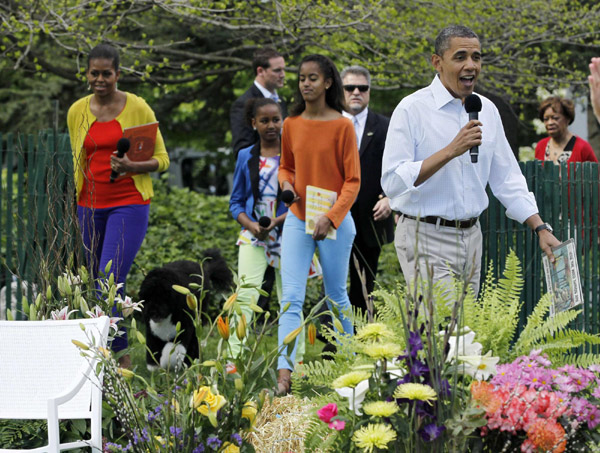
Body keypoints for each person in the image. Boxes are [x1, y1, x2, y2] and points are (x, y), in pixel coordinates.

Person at [381, 25, 559, 298]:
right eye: (460, 56)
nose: (471, 65)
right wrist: (451, 150)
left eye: (476, 57)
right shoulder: (411, 109)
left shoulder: (486, 109)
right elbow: (393, 182)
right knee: (443, 332)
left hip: (472, 237)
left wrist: (540, 227)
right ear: (437, 62)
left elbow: (507, 178)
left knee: (467, 335)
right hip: (425, 235)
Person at [67, 43, 170, 366]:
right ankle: (102, 359)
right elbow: (78, 161)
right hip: (88, 206)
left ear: (118, 74)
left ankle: (121, 361)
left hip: (128, 202)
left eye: (106, 73)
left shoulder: (137, 107)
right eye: (94, 73)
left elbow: (163, 159)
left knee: (109, 279)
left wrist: (134, 167)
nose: (100, 79)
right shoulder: (76, 111)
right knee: (95, 285)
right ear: (86, 74)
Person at [276, 54, 360, 394]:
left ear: (328, 83)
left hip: (334, 222)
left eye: (313, 78)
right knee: (291, 298)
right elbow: (286, 167)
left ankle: (352, 367)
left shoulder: (343, 125)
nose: (305, 83)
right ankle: (285, 375)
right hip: (298, 219)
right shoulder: (291, 124)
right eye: (301, 78)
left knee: (337, 296)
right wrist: (285, 185)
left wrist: (331, 216)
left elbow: (353, 182)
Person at [228, 98, 304, 362]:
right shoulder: (245, 156)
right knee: (245, 296)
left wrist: (277, 221)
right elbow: (236, 202)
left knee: (291, 299)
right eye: (264, 120)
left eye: (275, 119)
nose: (271, 125)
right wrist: (250, 225)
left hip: (289, 234)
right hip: (254, 235)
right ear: (254, 123)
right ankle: (233, 362)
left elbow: (301, 201)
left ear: (283, 120)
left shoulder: (294, 155)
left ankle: (295, 363)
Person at [341, 65, 394, 315]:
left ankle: (361, 336)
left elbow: (397, 166)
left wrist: (390, 197)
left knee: (365, 283)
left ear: (369, 91)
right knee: (335, 280)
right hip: (334, 216)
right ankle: (333, 339)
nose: (356, 92)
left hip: (371, 216)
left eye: (362, 88)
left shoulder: (386, 126)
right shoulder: (329, 123)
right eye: (350, 87)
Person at [230, 47, 288, 156]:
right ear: (260, 71)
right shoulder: (243, 104)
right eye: (277, 70)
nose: (283, 75)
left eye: (283, 69)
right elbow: (242, 150)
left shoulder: (281, 101)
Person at [534, 96, 596, 164]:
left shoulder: (582, 148)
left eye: (555, 118)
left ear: (567, 119)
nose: (550, 123)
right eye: (546, 119)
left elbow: (596, 173)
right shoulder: (541, 146)